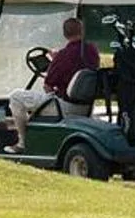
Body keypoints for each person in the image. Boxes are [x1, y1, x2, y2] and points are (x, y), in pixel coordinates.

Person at [7, 15, 97, 148]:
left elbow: (48, 86)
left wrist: (55, 60)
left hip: (65, 106)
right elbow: (77, 65)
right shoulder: (92, 50)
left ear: (65, 34)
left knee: (16, 97)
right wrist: (57, 58)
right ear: (82, 31)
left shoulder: (63, 55)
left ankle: (22, 143)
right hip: (86, 106)